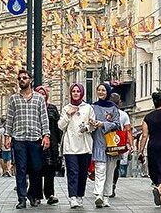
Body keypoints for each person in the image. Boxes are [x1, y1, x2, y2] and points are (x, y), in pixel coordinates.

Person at [5, 69, 52, 209]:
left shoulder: (39, 98)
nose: (22, 80)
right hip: (19, 139)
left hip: (35, 138)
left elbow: (44, 118)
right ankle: (21, 198)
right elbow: (9, 119)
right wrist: (7, 136)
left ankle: (33, 195)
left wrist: (46, 135)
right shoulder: (13, 99)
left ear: (30, 80)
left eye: (24, 78)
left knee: (36, 168)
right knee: (20, 169)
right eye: (19, 78)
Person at [59, 83, 95, 209]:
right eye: (73, 91)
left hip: (85, 145)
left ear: (82, 93)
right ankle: (72, 197)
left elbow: (93, 125)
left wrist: (87, 127)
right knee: (72, 172)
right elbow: (61, 126)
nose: (75, 93)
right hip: (70, 146)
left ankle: (80, 195)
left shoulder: (88, 108)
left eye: (78, 91)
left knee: (83, 173)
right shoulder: (66, 108)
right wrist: (68, 115)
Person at [88, 83, 121, 208]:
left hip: (112, 143)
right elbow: (88, 121)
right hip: (98, 142)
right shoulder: (92, 107)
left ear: (107, 92)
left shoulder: (113, 108)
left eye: (103, 90)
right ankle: (98, 195)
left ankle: (106, 196)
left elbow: (117, 124)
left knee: (110, 172)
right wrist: (92, 124)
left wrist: (103, 124)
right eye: (99, 90)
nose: (101, 92)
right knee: (100, 170)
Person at [34, 85, 62, 205]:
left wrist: (58, 142)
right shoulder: (33, 108)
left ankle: (50, 194)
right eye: (39, 93)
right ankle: (36, 195)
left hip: (51, 142)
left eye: (43, 93)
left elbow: (57, 126)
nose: (42, 95)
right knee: (36, 168)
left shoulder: (52, 108)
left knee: (50, 169)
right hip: (36, 141)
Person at [110, 92, 132, 198]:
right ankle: (113, 185)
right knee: (116, 166)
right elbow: (128, 130)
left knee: (105, 165)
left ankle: (106, 185)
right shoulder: (123, 115)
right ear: (119, 102)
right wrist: (130, 144)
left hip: (105, 141)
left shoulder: (105, 112)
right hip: (118, 142)